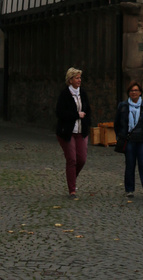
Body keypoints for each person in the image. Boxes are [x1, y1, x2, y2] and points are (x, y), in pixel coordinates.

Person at [55, 66, 92, 198]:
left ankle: (72, 179)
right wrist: (76, 115)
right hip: (67, 132)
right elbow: (60, 113)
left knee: (81, 159)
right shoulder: (64, 94)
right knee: (72, 159)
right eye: (76, 78)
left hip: (81, 131)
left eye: (80, 77)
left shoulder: (83, 93)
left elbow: (88, 110)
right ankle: (72, 190)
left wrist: (87, 121)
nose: (79, 80)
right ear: (70, 80)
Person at [114, 80, 143, 198]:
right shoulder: (123, 106)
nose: (134, 92)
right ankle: (129, 189)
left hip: (142, 140)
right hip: (129, 140)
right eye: (131, 90)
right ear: (128, 93)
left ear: (140, 92)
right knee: (130, 164)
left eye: (136, 90)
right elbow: (117, 123)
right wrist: (120, 136)